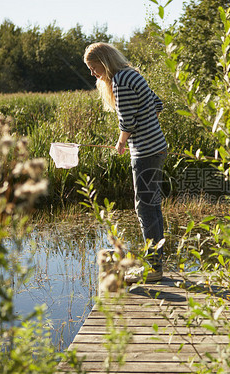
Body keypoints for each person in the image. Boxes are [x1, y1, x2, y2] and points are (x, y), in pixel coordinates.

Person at [84, 42, 167, 283]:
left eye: (93, 67)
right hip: (157, 146)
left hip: (145, 152)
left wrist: (122, 142)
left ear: (104, 61)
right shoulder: (133, 74)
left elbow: (127, 122)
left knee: (145, 208)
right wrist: (146, 124)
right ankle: (156, 264)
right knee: (153, 205)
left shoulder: (120, 80)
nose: (92, 73)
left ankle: (153, 268)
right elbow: (157, 104)